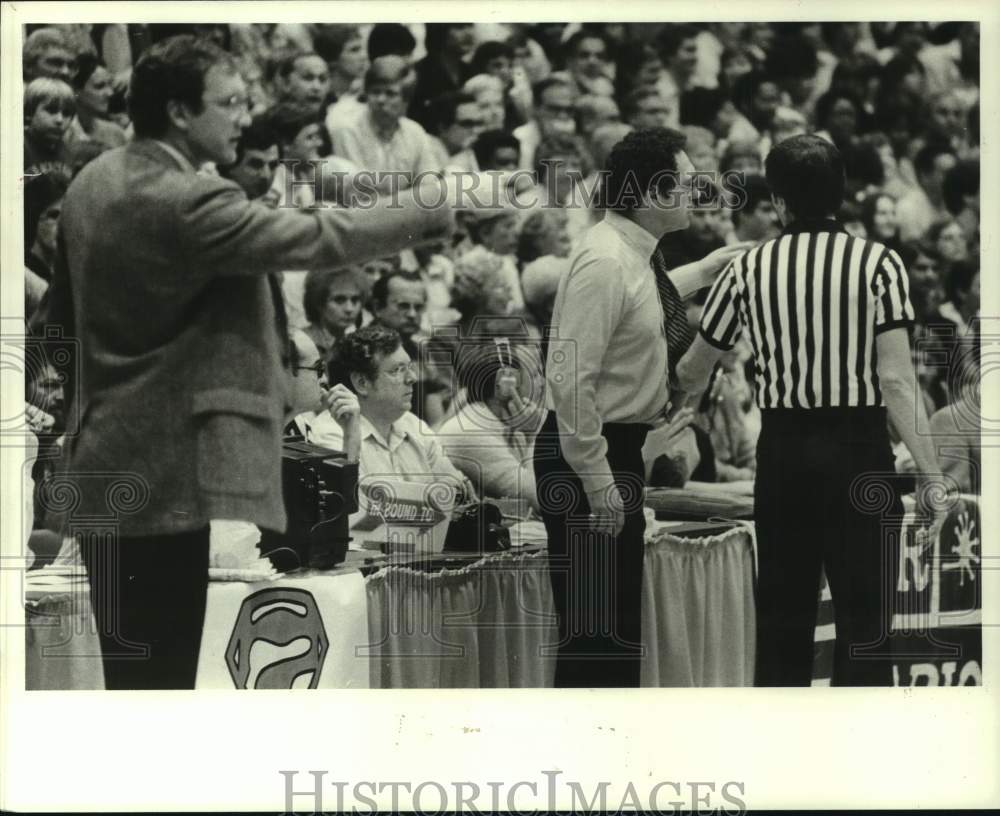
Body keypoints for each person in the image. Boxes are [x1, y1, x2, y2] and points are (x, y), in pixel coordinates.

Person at [32, 35, 460, 690]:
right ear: (179, 111)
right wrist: (428, 206)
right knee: (162, 686)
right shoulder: (190, 199)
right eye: (228, 103)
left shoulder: (92, 182)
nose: (242, 115)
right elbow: (319, 236)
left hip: (101, 460)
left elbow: (54, 323)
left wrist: (79, 415)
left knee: (132, 683)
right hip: (168, 474)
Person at [677, 134, 946, 686]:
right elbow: (896, 380)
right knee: (866, 624)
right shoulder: (879, 263)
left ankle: (783, 739)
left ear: (779, 201)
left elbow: (693, 370)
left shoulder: (746, 269)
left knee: (783, 622)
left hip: (785, 453)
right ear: (840, 195)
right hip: (858, 451)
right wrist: (931, 472)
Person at [533, 127, 748, 687]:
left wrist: (705, 270)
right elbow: (569, 377)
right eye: (686, 183)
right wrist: (598, 480)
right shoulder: (606, 260)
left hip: (610, 450)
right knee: (596, 637)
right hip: (588, 455)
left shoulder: (626, 253)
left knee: (614, 632)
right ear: (652, 194)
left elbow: (638, 306)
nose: (697, 193)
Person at [306, 326, 476, 514]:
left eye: (409, 368)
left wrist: (453, 493)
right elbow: (353, 511)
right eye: (397, 370)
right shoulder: (331, 435)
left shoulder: (412, 423)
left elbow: (458, 490)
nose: (412, 378)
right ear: (362, 383)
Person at [301, 267, 369, 360]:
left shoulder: (352, 345)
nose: (349, 309)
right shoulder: (301, 342)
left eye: (355, 300)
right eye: (339, 300)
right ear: (319, 303)